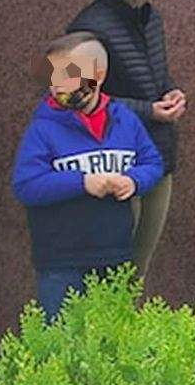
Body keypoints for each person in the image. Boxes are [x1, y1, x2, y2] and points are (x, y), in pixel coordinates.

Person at [12, 33, 165, 322]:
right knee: (61, 343)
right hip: (61, 262)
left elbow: (152, 163)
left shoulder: (125, 121)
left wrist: (134, 181)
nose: (58, 86)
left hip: (115, 256)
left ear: (98, 76)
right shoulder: (43, 128)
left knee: (112, 346)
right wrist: (83, 182)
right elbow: (25, 185)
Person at [67, 0, 183, 282]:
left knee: (137, 269)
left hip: (156, 158)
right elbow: (71, 98)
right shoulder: (89, 28)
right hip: (112, 161)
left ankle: (123, 337)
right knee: (109, 274)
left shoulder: (150, 20)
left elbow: (152, 80)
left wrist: (171, 96)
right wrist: (148, 111)